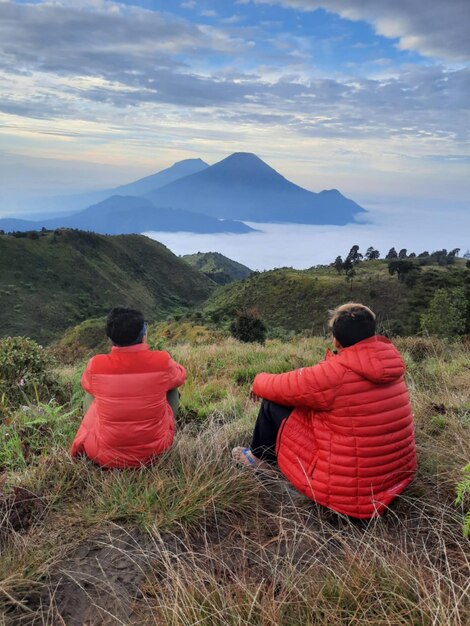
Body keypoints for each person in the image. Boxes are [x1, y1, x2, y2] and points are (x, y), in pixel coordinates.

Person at [233, 303, 417, 519]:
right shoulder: (390, 363)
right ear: (372, 334)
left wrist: (256, 382)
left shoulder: (335, 373)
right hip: (397, 477)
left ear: (336, 340)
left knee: (272, 402)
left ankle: (260, 460)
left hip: (349, 493)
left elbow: (277, 385)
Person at [71, 307, 186, 468]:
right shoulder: (162, 361)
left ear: (110, 339)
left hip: (106, 455)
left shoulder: (96, 364)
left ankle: (96, 431)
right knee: (172, 389)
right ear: (143, 335)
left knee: (90, 394)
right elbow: (180, 376)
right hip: (155, 452)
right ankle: (166, 428)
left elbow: (86, 384)